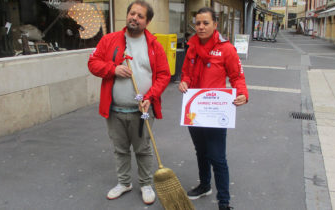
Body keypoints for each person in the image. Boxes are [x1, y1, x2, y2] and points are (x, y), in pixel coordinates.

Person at [88, 0, 170, 205]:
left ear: (147, 21)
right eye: (132, 13)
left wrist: (150, 97)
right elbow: (93, 63)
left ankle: (145, 184)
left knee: (143, 149)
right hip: (114, 110)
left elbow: (163, 75)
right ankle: (124, 182)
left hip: (142, 110)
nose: (134, 18)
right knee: (120, 149)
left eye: (140, 16)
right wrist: (112, 69)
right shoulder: (109, 40)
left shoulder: (154, 45)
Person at [178, 7, 248, 210]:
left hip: (216, 112)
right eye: (198, 23)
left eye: (205, 23)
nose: (200, 27)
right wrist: (184, 82)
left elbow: (237, 77)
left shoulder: (226, 49)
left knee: (217, 157)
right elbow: (186, 74)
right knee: (201, 151)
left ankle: (224, 202)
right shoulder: (191, 47)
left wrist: (242, 93)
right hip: (195, 110)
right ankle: (205, 185)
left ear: (215, 25)